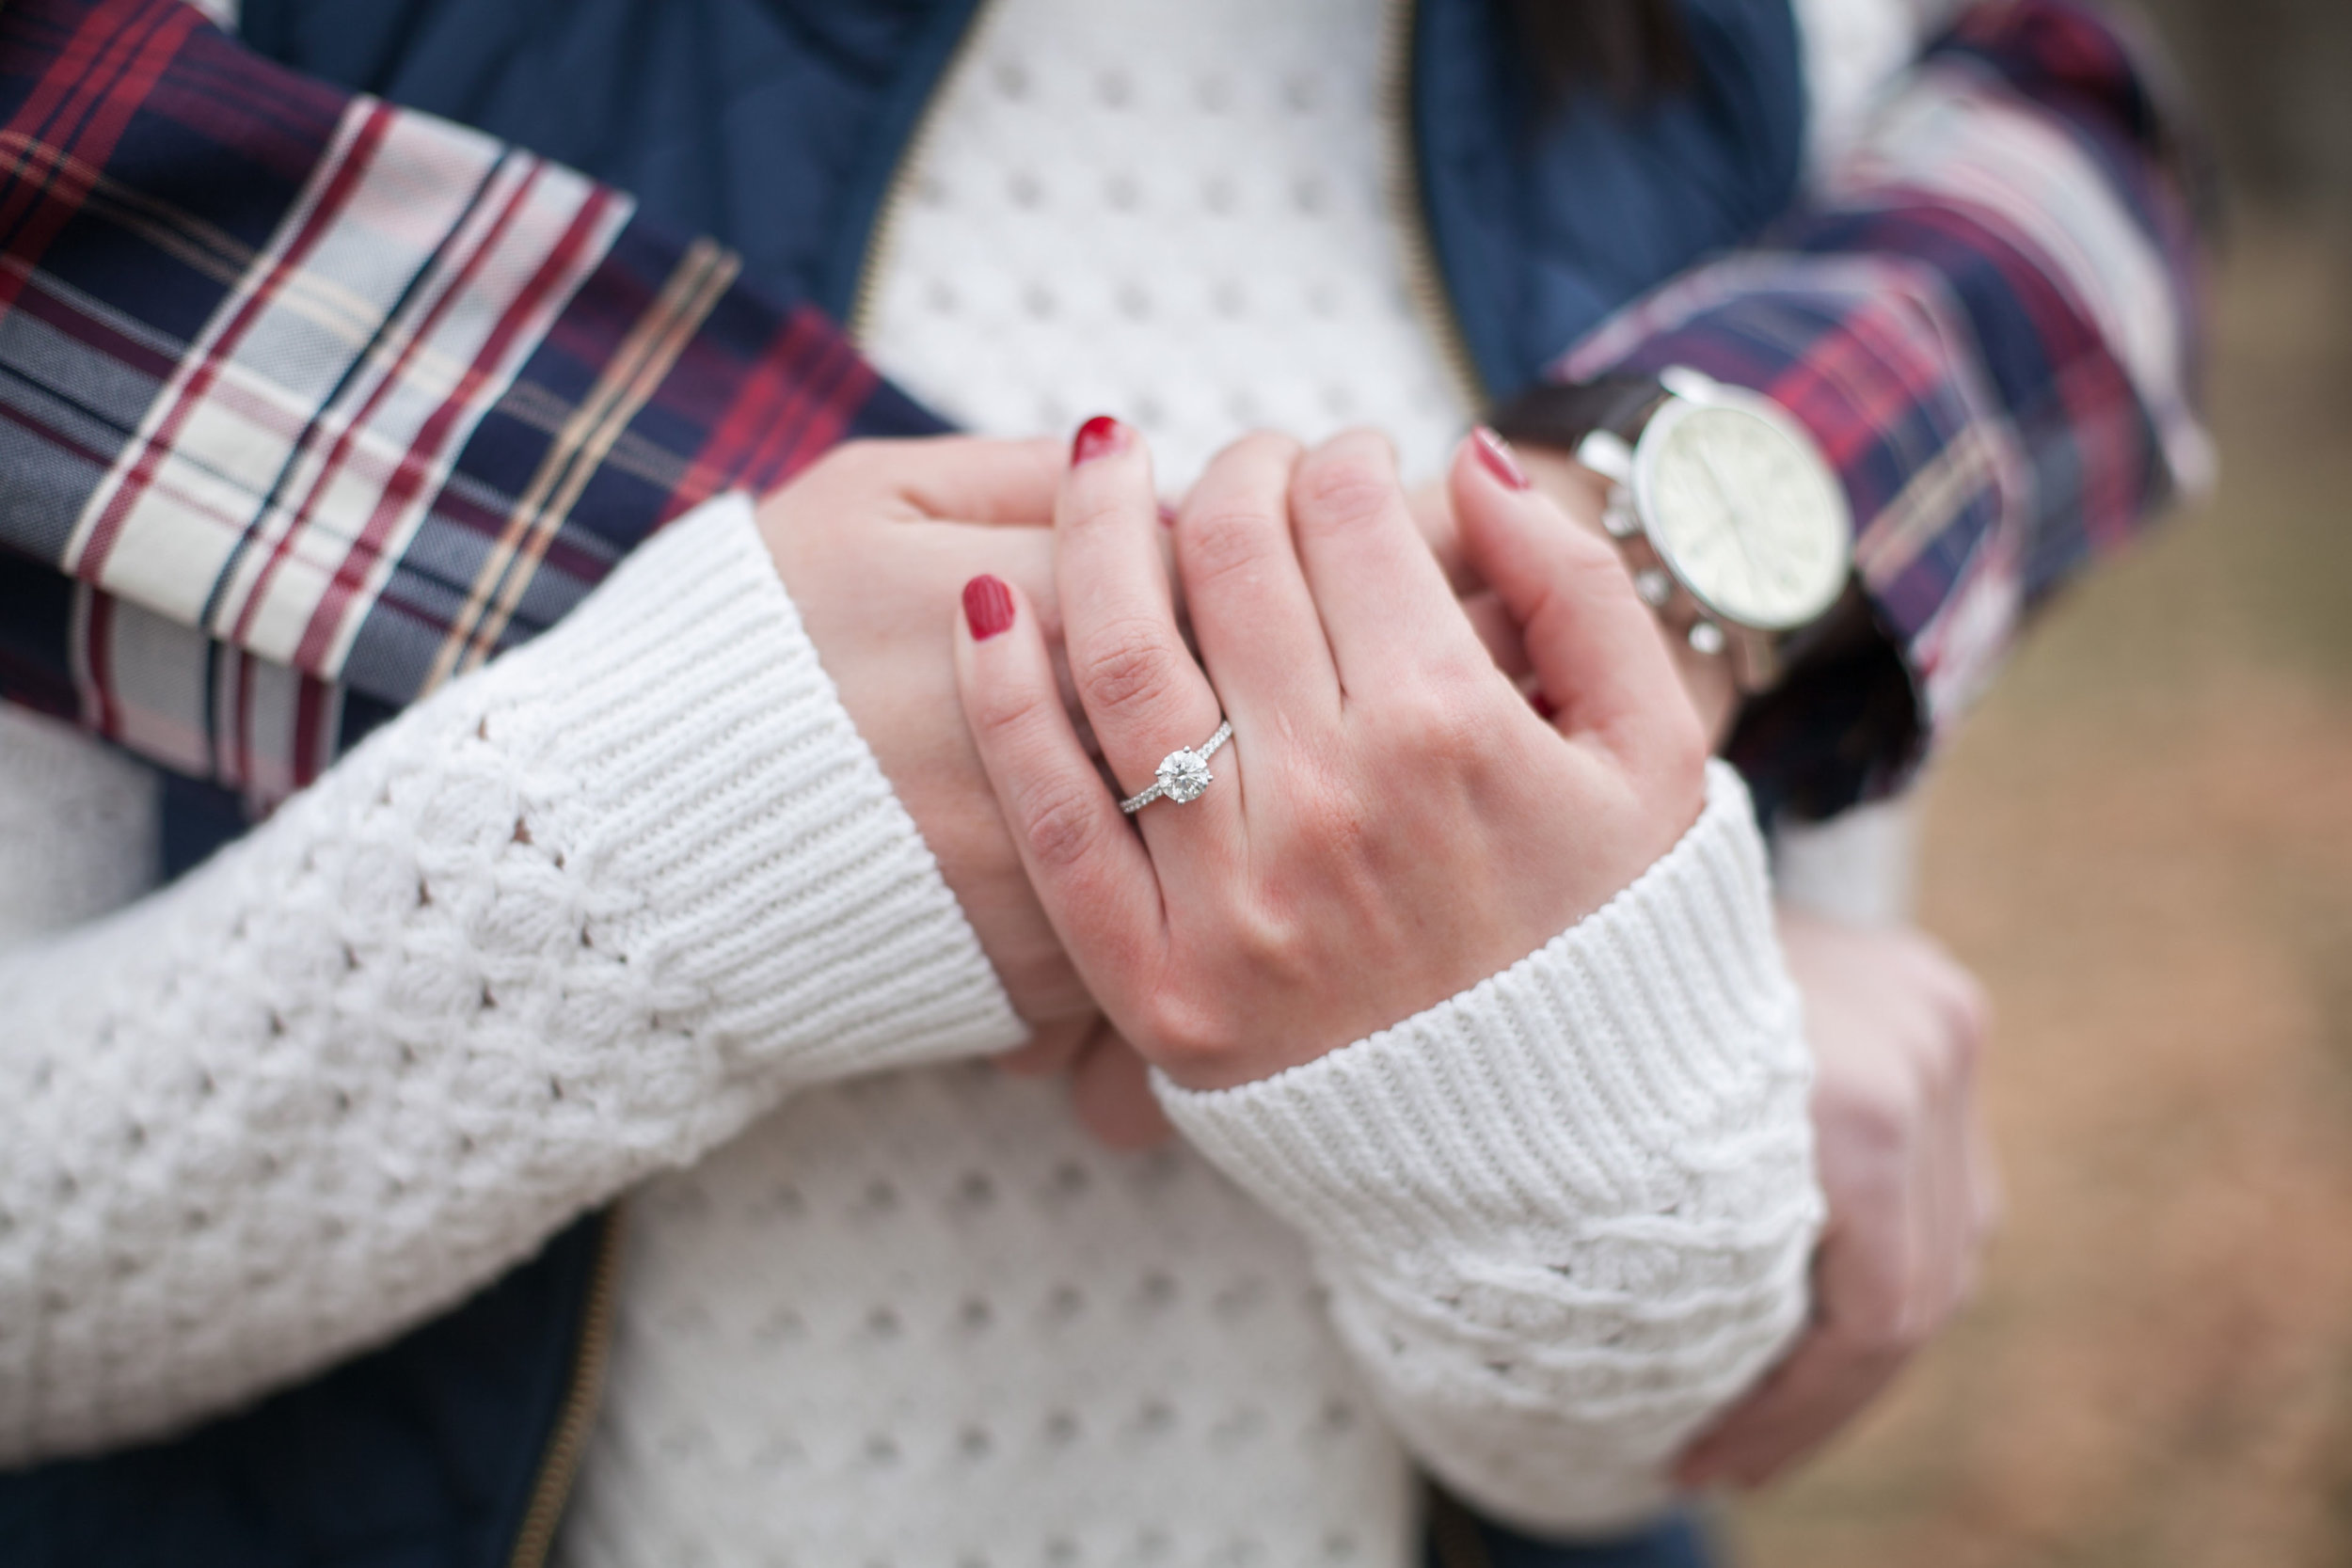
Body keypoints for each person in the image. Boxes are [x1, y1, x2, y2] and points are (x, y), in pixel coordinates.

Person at [0, 0, 2205, 1561]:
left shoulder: (1750, 49)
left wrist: (1584, 1096)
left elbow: (1621, 1444)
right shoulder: (168, 83)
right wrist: (688, 839)